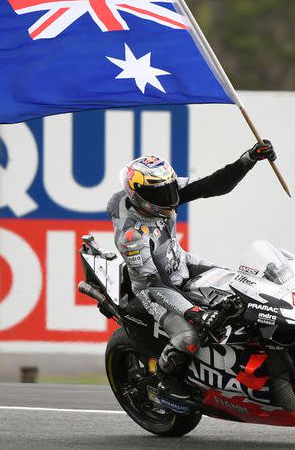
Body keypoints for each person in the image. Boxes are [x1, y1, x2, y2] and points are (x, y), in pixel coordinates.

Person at [107, 140, 276, 400]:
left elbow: (212, 185)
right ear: (137, 195)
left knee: (242, 284)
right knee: (189, 336)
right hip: (154, 289)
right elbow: (153, 284)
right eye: (161, 193)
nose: (171, 197)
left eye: (170, 188)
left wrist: (249, 159)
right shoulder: (132, 236)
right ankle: (166, 381)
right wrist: (193, 312)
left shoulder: (161, 190)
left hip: (180, 262)